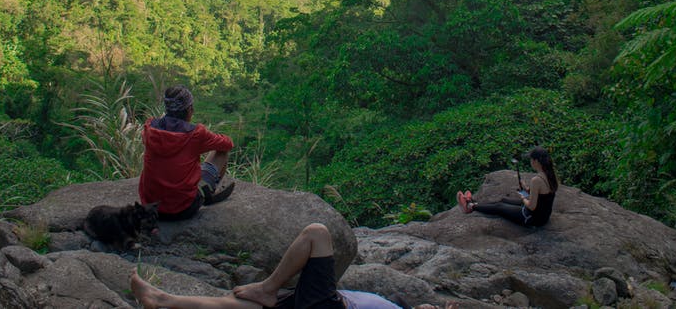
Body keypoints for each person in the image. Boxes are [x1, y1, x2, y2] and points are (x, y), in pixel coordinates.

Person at [129, 223, 451, 309]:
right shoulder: (395, 303)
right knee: (236, 304)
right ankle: (161, 300)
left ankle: (269, 287)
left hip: (329, 306)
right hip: (318, 303)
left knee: (316, 233)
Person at [139, 85, 235, 221]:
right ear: (189, 109)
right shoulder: (195, 134)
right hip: (183, 209)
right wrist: (209, 138)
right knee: (222, 152)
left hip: (151, 208)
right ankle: (207, 192)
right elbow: (228, 144)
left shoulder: (150, 128)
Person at [456, 146, 558, 228]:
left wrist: (523, 198)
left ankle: (470, 207)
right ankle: (475, 203)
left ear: (536, 161)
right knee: (503, 200)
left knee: (499, 207)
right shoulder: (551, 175)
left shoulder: (536, 180)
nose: (530, 162)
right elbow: (543, 196)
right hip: (543, 216)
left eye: (531, 159)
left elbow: (531, 206)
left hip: (533, 217)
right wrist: (526, 189)